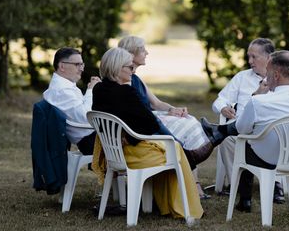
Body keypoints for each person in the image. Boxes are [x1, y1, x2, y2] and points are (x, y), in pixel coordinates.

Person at [91, 47, 224, 219]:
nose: (133, 71)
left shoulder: (98, 90)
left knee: (172, 147)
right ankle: (186, 208)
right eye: (130, 68)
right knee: (174, 149)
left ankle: (168, 205)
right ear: (117, 68)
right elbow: (150, 123)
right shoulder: (126, 92)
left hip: (113, 153)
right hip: (133, 154)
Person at [228, 50, 289, 213]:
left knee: (242, 143)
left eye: (267, 71)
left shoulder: (258, 102)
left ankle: (243, 200)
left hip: (266, 159)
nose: (265, 75)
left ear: (276, 75)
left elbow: (241, 129)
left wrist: (256, 96)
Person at [118, 36, 212, 199]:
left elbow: (155, 103)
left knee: (186, 120)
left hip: (147, 123)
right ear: (131, 54)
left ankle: (193, 181)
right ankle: (193, 183)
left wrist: (173, 109)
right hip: (142, 131)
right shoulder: (123, 82)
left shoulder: (136, 79)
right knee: (183, 132)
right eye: (143, 50)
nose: (147, 52)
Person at [207, 38, 285, 203]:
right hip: (242, 129)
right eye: (249, 56)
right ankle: (237, 184)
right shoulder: (242, 77)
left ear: (269, 58)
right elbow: (219, 100)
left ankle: (276, 183)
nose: (249, 61)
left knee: (276, 136)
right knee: (226, 139)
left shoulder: (281, 80)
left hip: (269, 133)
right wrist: (222, 108)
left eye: (254, 57)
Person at [43, 47, 101, 155]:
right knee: (134, 140)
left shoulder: (65, 86)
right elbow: (87, 117)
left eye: (82, 64)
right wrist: (91, 90)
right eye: (77, 64)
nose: (81, 69)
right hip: (91, 140)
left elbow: (81, 108)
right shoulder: (62, 90)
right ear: (62, 66)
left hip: (94, 136)